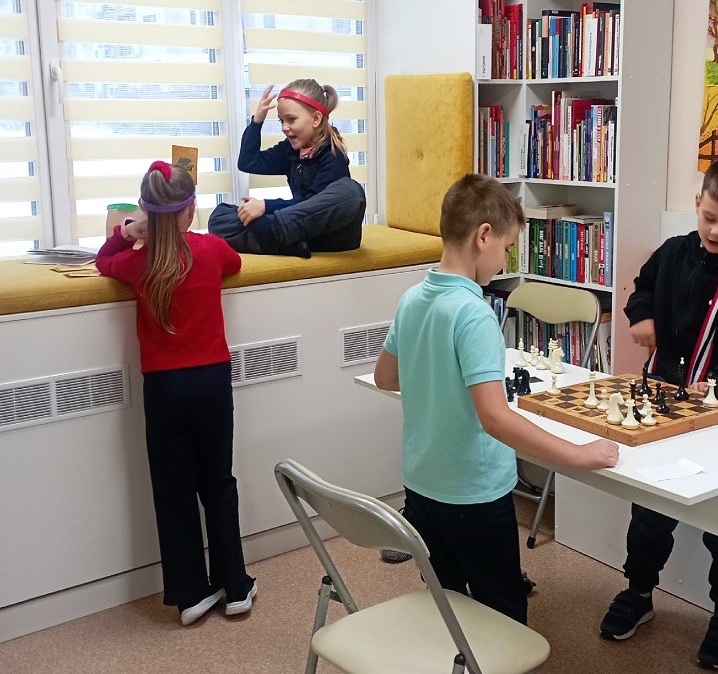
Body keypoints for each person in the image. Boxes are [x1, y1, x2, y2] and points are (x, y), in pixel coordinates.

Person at [373, 173, 620, 624]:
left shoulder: (412, 298)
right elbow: (495, 419)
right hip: (474, 494)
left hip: (422, 485)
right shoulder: (474, 314)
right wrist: (577, 455)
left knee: (448, 601)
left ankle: (460, 657)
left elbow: (385, 377)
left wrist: (437, 380)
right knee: (503, 611)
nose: (505, 259)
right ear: (483, 236)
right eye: (507, 247)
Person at [600, 156, 718, 671]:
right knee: (649, 511)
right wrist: (641, 315)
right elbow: (642, 287)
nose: (717, 231)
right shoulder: (674, 251)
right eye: (710, 217)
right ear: (697, 203)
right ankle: (638, 591)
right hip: (662, 399)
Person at [96, 161, 256, 626]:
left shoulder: (137, 263)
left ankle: (190, 594)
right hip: (211, 382)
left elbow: (103, 260)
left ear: (148, 213)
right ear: (191, 210)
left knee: (174, 490)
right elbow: (235, 263)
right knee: (218, 482)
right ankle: (235, 586)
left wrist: (129, 231)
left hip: (163, 387)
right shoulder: (211, 250)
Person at [208, 79, 366, 258]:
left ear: (315, 119)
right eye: (281, 121)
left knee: (352, 190)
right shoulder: (290, 150)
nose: (284, 128)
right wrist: (257, 121)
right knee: (220, 216)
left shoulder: (333, 155)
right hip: (293, 227)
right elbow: (248, 162)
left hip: (329, 233)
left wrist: (265, 206)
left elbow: (314, 207)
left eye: (291, 120)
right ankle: (283, 243)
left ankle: (273, 236)